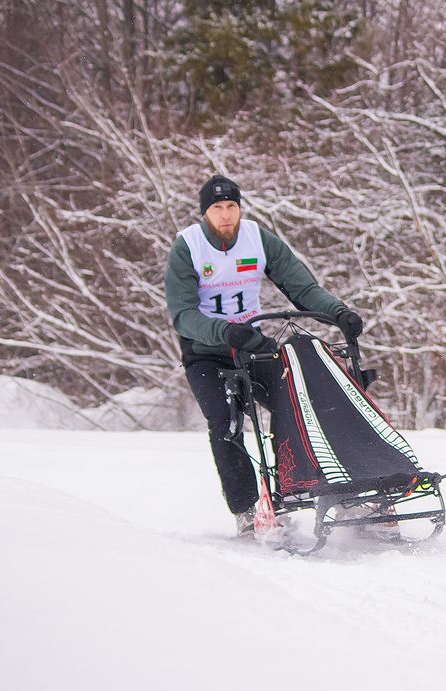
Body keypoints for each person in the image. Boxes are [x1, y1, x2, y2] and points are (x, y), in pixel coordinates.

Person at [165, 174, 364, 536]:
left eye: (231, 207)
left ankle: (336, 491)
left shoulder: (258, 239)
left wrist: (338, 314)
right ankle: (246, 509)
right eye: (217, 208)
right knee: (226, 422)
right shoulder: (188, 247)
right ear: (204, 213)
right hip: (206, 353)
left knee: (302, 405)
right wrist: (223, 330)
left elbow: (301, 286)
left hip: (252, 345)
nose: (226, 215)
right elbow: (183, 315)